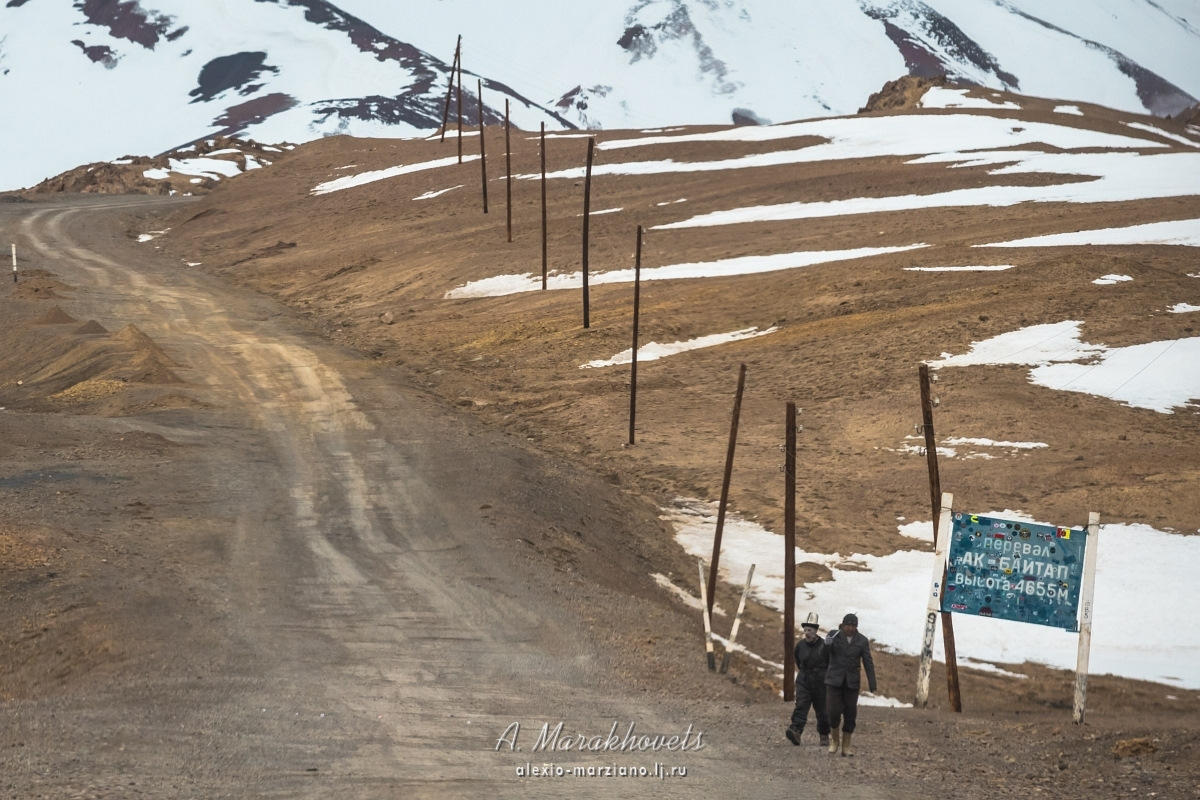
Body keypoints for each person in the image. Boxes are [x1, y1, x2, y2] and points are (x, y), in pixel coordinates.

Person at [824, 613, 876, 757]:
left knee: (850, 713)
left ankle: (846, 746)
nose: (850, 628)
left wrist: (872, 683)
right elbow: (824, 655)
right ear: (843, 624)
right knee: (833, 712)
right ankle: (834, 741)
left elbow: (868, 661)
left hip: (851, 682)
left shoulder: (862, 641)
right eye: (848, 625)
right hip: (834, 680)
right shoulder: (834, 636)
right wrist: (826, 646)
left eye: (853, 626)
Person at [786, 612, 830, 746]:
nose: (807, 633)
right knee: (801, 705)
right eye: (805, 630)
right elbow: (798, 661)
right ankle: (796, 731)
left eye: (810, 630)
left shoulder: (824, 646)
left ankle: (824, 734)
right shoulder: (800, 646)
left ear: (816, 631)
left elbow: (830, 662)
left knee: (822, 710)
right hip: (804, 680)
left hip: (821, 682)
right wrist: (806, 673)